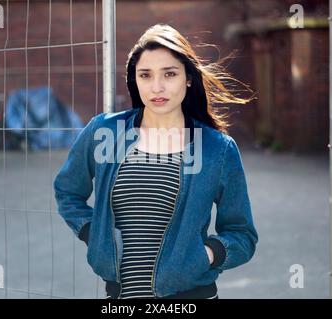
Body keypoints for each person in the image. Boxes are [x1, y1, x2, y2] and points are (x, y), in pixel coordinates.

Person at [54, 23, 258, 299]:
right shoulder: (105, 132)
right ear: (135, 80)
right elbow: (68, 191)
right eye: (145, 75)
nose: (157, 87)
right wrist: (94, 235)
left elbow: (242, 234)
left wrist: (206, 255)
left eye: (169, 74)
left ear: (188, 77)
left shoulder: (216, 149)